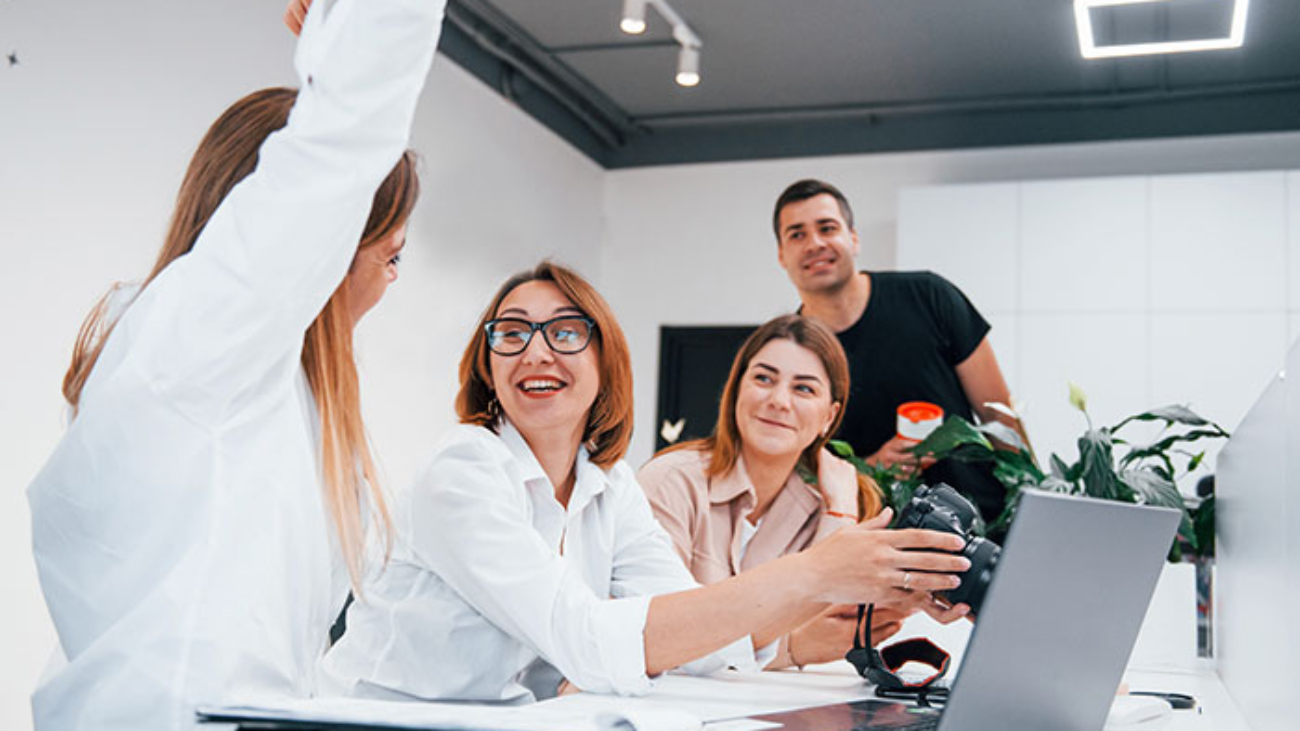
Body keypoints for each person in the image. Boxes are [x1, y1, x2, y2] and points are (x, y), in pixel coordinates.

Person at [26, 0, 445, 727]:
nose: (390, 282)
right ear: (329, 249)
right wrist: (354, 32)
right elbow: (340, 148)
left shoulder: (252, 384)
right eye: (391, 256)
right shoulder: (202, 342)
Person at [320, 262, 971, 702]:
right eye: (511, 333)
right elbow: (586, 640)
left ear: (606, 362)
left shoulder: (609, 483)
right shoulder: (462, 470)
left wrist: (854, 579)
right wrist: (816, 574)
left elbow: (697, 637)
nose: (536, 351)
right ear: (488, 366)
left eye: (565, 333)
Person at [639, 314, 942, 670]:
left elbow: (831, 622)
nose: (779, 400)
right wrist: (792, 647)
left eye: (804, 389)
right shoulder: (670, 482)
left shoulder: (829, 503)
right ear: (736, 390)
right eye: (763, 379)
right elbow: (658, 643)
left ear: (829, 417)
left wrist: (840, 513)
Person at [772, 179, 1022, 524]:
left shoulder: (929, 296)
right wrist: (871, 467)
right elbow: (796, 478)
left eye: (827, 228)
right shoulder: (788, 353)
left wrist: (1030, 503)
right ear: (782, 255)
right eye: (797, 234)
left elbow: (1001, 419)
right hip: (879, 539)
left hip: (984, 525)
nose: (815, 243)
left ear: (853, 238)